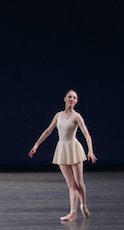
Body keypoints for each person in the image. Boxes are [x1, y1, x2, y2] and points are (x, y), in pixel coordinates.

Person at [29, 90, 97, 221]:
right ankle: (73, 213)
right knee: (71, 184)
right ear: (65, 99)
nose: (72, 99)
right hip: (62, 149)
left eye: (74, 98)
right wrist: (37, 144)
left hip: (74, 149)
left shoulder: (77, 117)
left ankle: (83, 205)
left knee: (79, 182)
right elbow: (48, 130)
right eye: (70, 97)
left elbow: (86, 134)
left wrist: (90, 150)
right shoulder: (58, 115)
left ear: (76, 101)